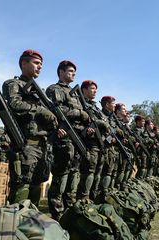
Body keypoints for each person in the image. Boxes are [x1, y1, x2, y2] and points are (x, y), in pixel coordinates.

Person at [3, 49, 66, 207]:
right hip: (25, 143)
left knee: (36, 187)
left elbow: (47, 117)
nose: (40, 67)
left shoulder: (40, 92)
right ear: (24, 63)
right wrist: (40, 110)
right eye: (36, 63)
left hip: (42, 145)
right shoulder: (13, 84)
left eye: (41, 64)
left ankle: (30, 224)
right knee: (21, 187)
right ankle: (13, 226)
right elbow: (14, 104)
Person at [45, 60, 89, 220]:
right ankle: (57, 213)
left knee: (73, 175)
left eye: (74, 72)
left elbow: (83, 113)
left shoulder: (76, 94)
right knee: (61, 176)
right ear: (61, 72)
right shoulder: (54, 89)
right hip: (64, 138)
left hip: (78, 139)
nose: (73, 74)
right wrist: (78, 114)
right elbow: (54, 110)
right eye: (70, 71)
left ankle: (69, 211)